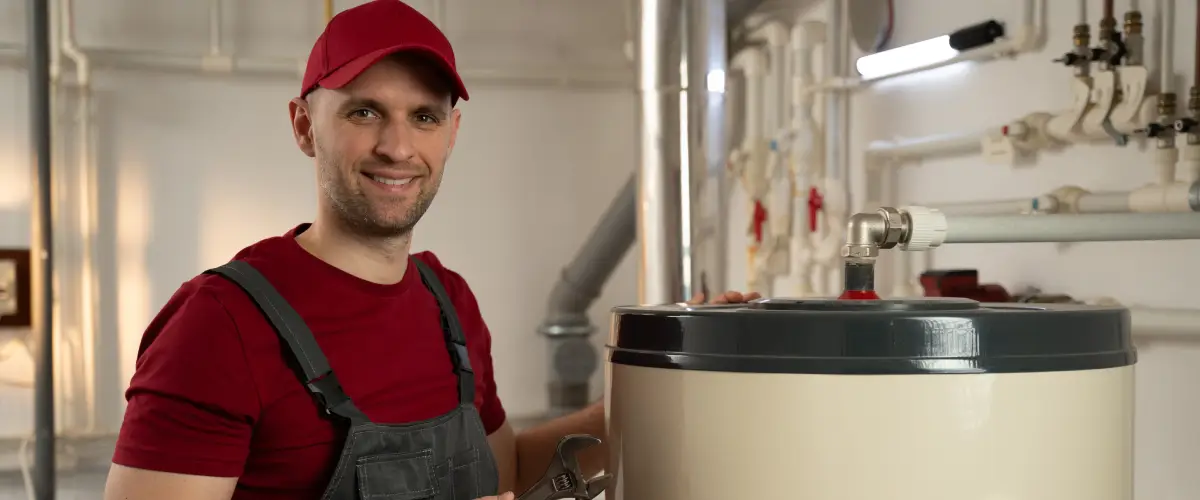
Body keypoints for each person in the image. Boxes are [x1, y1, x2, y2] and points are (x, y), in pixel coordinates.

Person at [101, 1, 759, 499]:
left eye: (425, 116)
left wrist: (661, 390)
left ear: (452, 133)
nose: (397, 146)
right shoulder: (219, 324)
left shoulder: (449, 302)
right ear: (305, 127)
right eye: (364, 112)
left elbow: (506, 469)